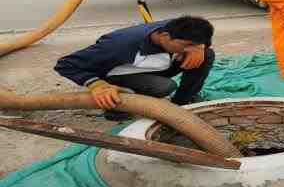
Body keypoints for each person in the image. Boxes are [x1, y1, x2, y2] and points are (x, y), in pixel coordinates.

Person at [54, 16, 215, 121]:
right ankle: (117, 106)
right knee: (164, 86)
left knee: (207, 55)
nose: (191, 49)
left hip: (156, 65)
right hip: (119, 75)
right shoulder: (119, 45)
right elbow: (65, 64)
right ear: (165, 36)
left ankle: (181, 103)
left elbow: (201, 35)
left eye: (195, 44)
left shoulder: (179, 27)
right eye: (187, 45)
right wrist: (97, 85)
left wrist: (200, 48)